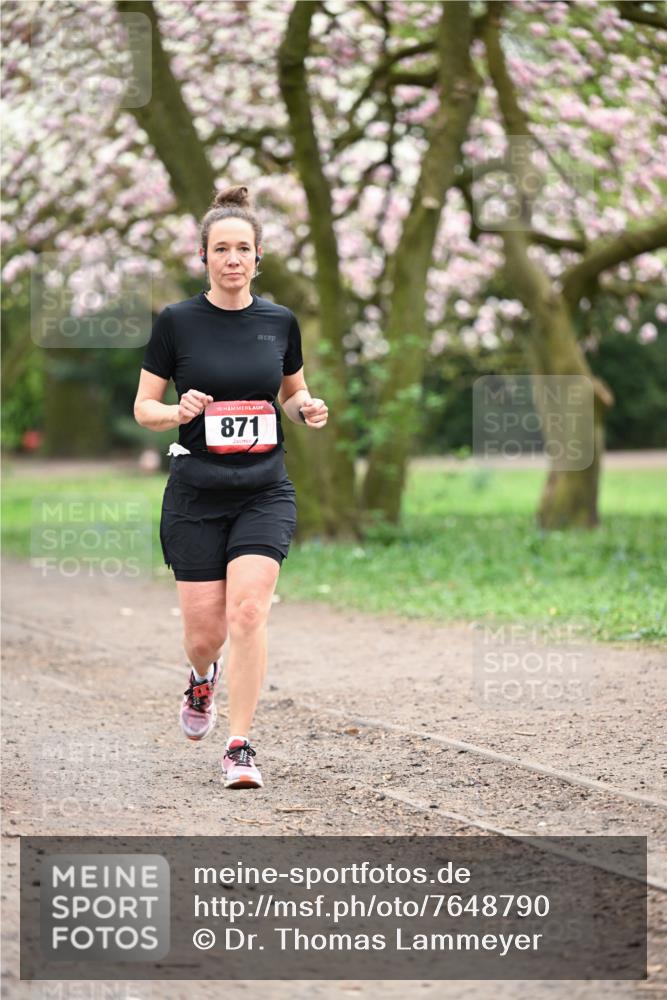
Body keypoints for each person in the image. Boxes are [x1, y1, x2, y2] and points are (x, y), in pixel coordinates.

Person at [134, 185, 328, 789]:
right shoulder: (177, 323)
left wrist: (307, 408)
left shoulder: (279, 323)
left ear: (258, 257)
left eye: (243, 248)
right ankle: (201, 678)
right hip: (196, 493)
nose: (233, 259)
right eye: (222, 249)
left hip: (263, 490)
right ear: (204, 257)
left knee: (248, 611)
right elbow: (144, 407)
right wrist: (178, 411)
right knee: (204, 635)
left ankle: (239, 745)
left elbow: (290, 394)